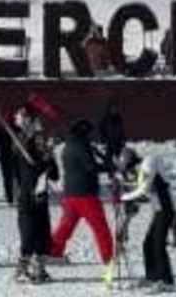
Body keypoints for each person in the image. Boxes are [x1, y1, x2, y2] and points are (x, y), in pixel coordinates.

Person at [49, 120, 115, 280]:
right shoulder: (81, 145)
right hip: (85, 194)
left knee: (65, 226)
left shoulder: (68, 145)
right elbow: (90, 167)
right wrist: (108, 166)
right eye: (89, 133)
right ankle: (109, 258)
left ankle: (53, 252)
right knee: (100, 228)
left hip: (70, 193)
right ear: (84, 132)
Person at [122, 153, 175, 291]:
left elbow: (143, 189)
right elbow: (145, 193)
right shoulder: (145, 170)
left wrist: (123, 197)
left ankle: (167, 281)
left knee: (158, 245)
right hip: (159, 210)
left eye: (131, 173)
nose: (132, 176)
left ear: (134, 165)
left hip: (166, 209)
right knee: (147, 244)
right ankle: (152, 277)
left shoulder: (148, 164)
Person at [14, 120, 59, 284]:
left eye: (43, 138)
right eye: (38, 138)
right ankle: (22, 270)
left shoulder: (44, 154)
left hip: (41, 200)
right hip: (27, 200)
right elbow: (29, 175)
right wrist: (44, 161)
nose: (42, 141)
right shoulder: (24, 155)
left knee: (42, 236)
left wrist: (51, 158)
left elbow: (55, 176)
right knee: (28, 236)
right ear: (32, 139)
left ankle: (39, 268)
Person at [98, 102, 126, 170]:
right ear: (110, 109)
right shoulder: (105, 119)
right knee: (108, 160)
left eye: (116, 109)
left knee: (119, 159)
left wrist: (123, 139)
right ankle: (110, 173)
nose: (115, 110)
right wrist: (103, 140)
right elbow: (101, 131)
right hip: (109, 143)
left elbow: (121, 130)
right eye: (113, 109)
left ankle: (120, 172)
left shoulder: (119, 119)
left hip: (117, 142)